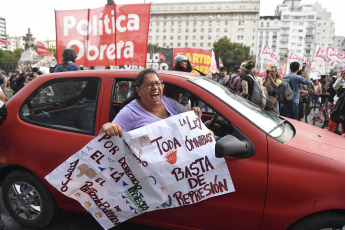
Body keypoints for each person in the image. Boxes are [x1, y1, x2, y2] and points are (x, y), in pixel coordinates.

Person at [99, 69, 202, 136]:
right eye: (149, 84)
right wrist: (105, 129)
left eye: (158, 83)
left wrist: (194, 112)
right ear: (138, 91)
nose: (155, 87)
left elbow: (188, 117)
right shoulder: (129, 112)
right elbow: (105, 139)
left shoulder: (169, 103)